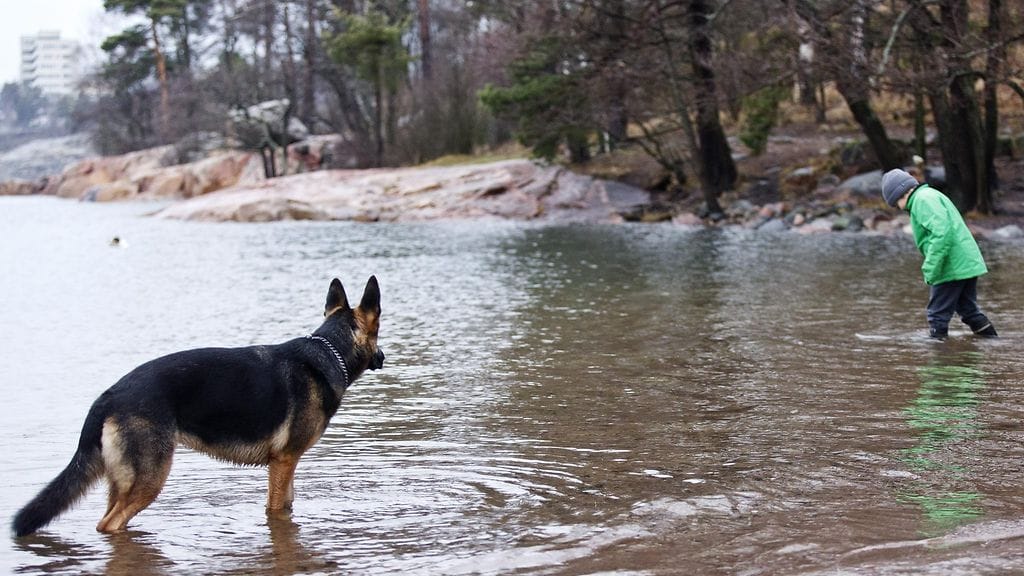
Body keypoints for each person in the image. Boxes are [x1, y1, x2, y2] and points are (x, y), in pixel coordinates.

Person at [881, 168, 997, 340]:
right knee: (968, 311)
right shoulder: (929, 195)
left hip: (951, 265)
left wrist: (930, 268)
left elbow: (941, 233)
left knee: (936, 315)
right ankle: (993, 343)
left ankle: (938, 358)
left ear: (899, 194)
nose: (898, 208)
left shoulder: (922, 200)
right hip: (965, 263)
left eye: (894, 203)